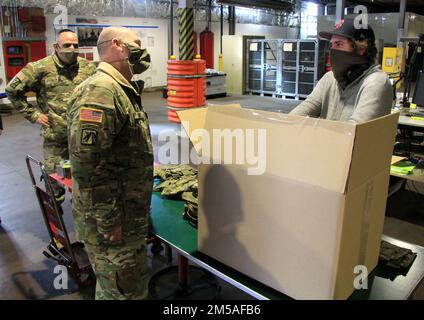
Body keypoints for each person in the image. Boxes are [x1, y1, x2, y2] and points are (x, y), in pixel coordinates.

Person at [67, 27, 152, 300]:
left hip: (127, 214)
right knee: (123, 293)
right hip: (114, 222)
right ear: (117, 45)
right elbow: (87, 166)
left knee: (121, 288)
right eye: (137, 43)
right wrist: (108, 221)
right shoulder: (101, 91)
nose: (143, 50)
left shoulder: (120, 89)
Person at [5, 29, 96, 202]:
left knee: (84, 175)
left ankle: (79, 203)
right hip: (56, 135)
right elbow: (12, 91)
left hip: (84, 134)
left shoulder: (88, 67)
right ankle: (54, 215)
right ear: (56, 46)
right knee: (54, 179)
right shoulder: (39, 68)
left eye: (75, 45)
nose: (72, 49)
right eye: (67, 45)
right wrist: (33, 115)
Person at [290, 18, 393, 123]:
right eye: (332, 45)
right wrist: (286, 123)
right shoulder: (330, 78)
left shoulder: (376, 82)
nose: (333, 50)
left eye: (339, 44)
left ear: (361, 48)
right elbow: (309, 105)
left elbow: (355, 131)